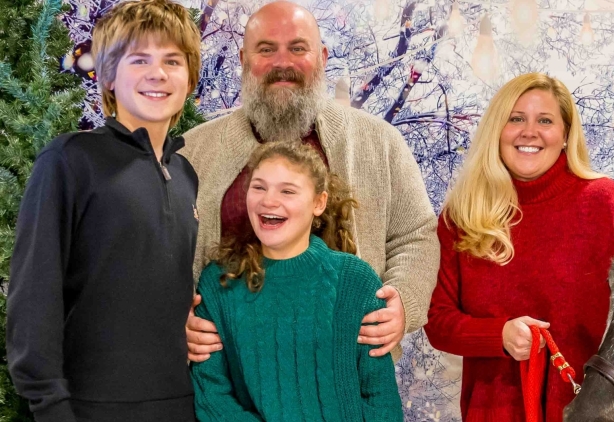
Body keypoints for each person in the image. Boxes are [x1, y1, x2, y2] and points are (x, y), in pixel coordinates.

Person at [180, 1, 438, 362]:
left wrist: (401, 303)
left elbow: (416, 234)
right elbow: (163, 255)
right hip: (228, 370)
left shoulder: (380, 141)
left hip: (344, 370)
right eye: (266, 49)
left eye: (298, 48)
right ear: (243, 59)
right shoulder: (193, 150)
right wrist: (179, 316)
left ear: (323, 57)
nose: (282, 62)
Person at [5, 1, 202, 420]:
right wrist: (51, 405)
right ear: (109, 75)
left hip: (179, 404)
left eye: (172, 60)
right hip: (88, 408)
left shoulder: (186, 175)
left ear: (190, 77)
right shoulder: (70, 161)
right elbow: (35, 295)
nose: (158, 73)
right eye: (139, 59)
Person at [423, 73, 614, 421]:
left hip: (593, 412)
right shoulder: (462, 215)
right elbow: (438, 322)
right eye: (516, 119)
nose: (529, 132)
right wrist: (499, 335)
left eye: (545, 121)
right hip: (493, 413)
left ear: (566, 134)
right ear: (497, 130)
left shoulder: (611, 205)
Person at [190, 142, 403, 421]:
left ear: (319, 203)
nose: (269, 200)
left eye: (287, 191)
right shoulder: (219, 283)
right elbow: (211, 394)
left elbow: (380, 397)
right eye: (259, 187)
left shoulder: (355, 280)